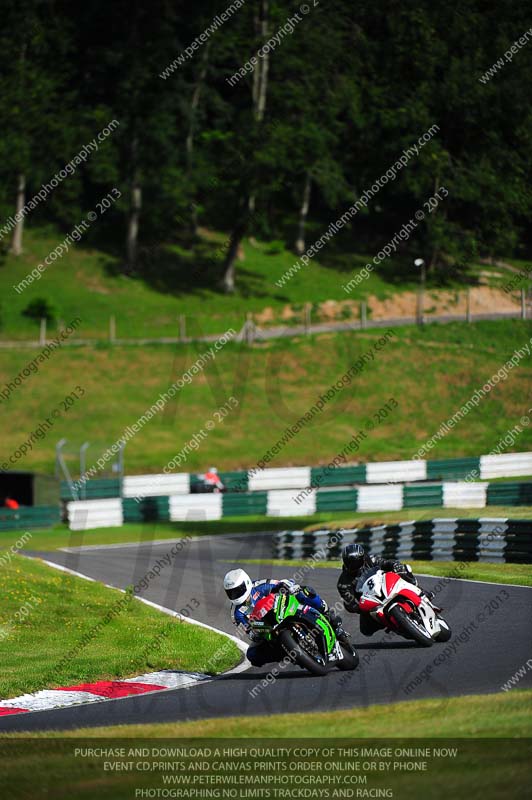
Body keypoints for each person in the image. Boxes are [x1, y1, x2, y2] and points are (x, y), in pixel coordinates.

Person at [224, 568, 349, 667]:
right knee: (252, 655)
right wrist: (255, 632)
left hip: (284, 610)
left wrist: (288, 586)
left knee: (303, 592)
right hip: (268, 629)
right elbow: (248, 632)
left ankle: (326, 612)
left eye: (238, 590)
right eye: (231, 592)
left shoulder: (259, 586)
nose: (235, 595)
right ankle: (287, 652)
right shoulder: (236, 613)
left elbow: (281, 584)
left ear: (246, 583)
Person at [337, 543, 433, 636]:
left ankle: (420, 591)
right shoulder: (343, 583)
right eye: (350, 563)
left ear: (362, 558)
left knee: (404, 569)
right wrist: (353, 605)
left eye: (356, 562)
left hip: (385, 584)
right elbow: (349, 601)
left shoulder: (371, 559)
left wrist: (395, 565)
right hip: (370, 600)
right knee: (365, 630)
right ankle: (393, 624)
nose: (354, 565)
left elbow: (385, 562)